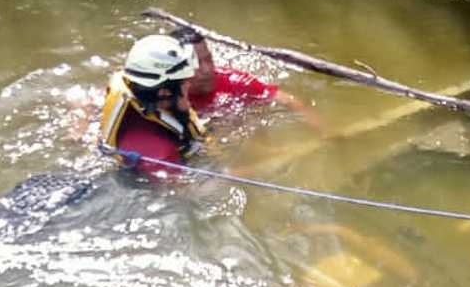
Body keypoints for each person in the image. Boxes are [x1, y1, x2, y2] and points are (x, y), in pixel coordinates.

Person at [99, 34, 208, 177]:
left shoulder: (130, 85)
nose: (189, 84)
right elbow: (186, 193)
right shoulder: (161, 154)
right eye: (184, 83)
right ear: (163, 92)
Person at [170, 26, 321, 125]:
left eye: (208, 59)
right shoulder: (163, 92)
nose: (207, 69)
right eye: (195, 63)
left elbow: (290, 101)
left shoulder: (234, 82)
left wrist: (325, 131)